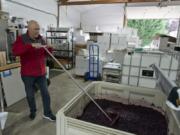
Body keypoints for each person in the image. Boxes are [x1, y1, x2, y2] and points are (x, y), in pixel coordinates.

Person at [12, 20, 56, 121]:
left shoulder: (41, 39)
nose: (37, 31)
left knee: (45, 93)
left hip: (41, 73)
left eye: (38, 29)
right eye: (35, 29)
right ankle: (33, 110)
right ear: (29, 29)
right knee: (30, 95)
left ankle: (47, 113)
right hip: (27, 74)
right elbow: (15, 52)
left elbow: (47, 55)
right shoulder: (22, 39)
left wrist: (49, 48)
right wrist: (30, 46)